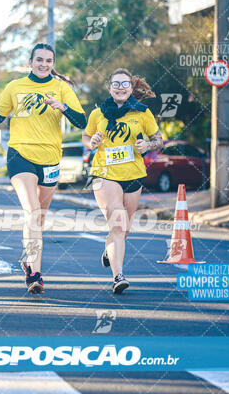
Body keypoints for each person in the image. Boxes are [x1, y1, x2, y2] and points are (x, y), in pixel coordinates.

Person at [0, 43, 86, 294]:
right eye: (39, 60)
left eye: (49, 61)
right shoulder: (15, 86)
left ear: (53, 64)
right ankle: (35, 274)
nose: (44, 64)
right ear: (30, 62)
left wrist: (62, 107)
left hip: (51, 158)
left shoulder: (62, 88)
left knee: (39, 217)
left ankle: (28, 258)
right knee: (32, 211)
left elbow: (82, 120)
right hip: (20, 154)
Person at [82, 68, 163, 294]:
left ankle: (110, 251)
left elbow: (159, 140)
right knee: (117, 223)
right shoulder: (97, 114)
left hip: (134, 174)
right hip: (104, 173)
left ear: (131, 88)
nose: (120, 87)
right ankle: (118, 276)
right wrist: (92, 142)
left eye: (124, 84)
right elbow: (86, 137)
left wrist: (148, 145)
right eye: (116, 84)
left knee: (123, 229)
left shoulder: (142, 112)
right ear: (109, 88)